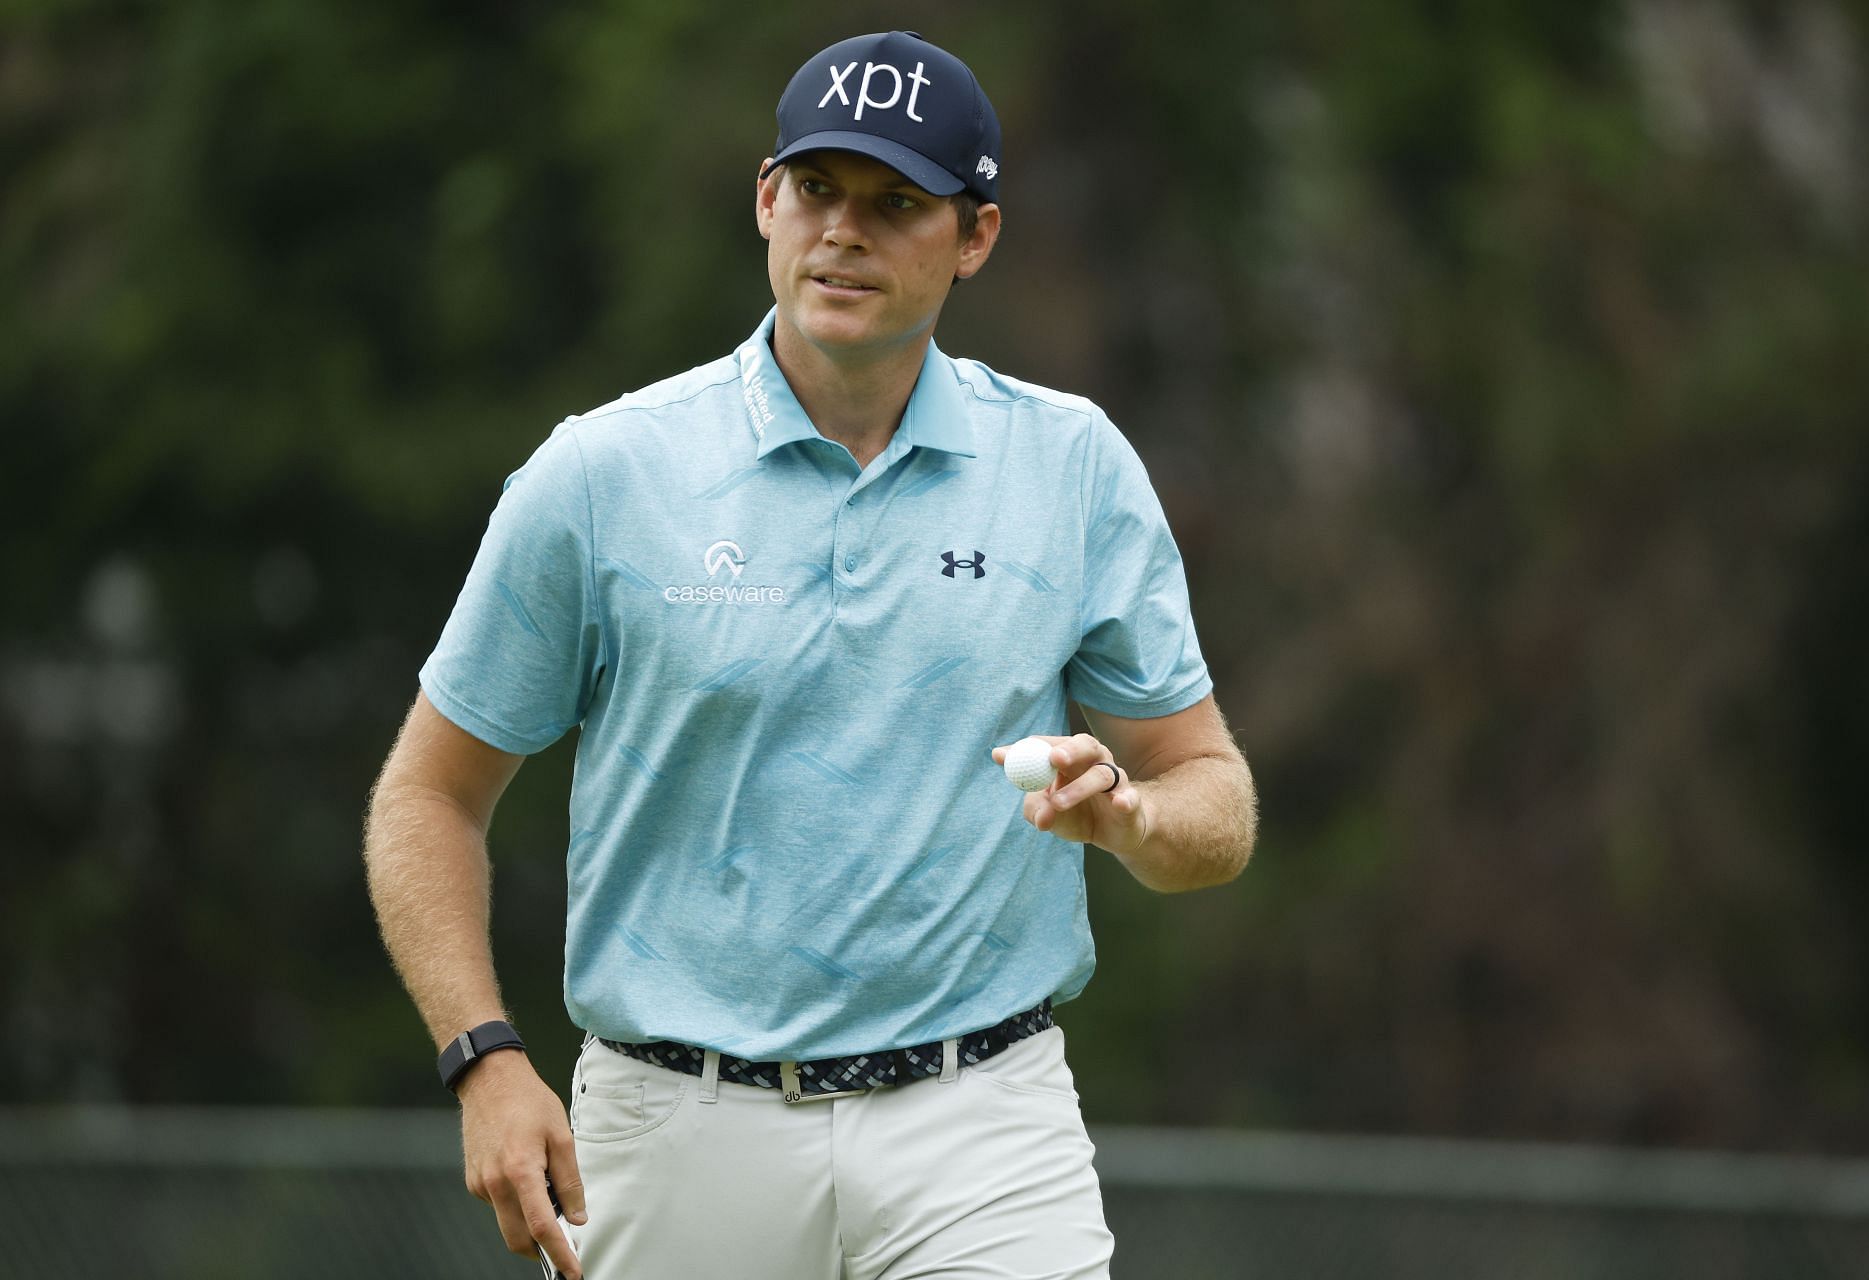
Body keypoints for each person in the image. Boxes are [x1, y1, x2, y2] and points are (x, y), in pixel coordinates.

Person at [363, 29, 1256, 1280]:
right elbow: (429, 794)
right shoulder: (604, 474)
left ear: (975, 237)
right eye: (821, 191)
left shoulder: (1071, 468)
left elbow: (1211, 790)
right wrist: (483, 1056)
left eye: (899, 204)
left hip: (981, 1121)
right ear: (768, 201)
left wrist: (1131, 821)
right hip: (674, 1126)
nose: (847, 232)